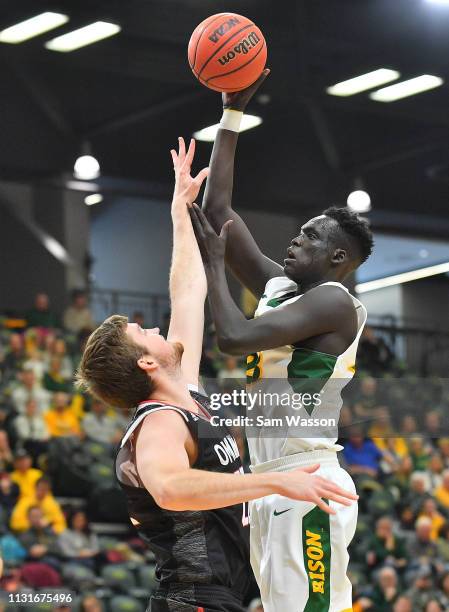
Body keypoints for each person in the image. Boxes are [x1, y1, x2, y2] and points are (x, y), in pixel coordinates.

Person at [76, 138, 357, 612]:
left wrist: (180, 213)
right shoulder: (159, 422)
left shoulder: (183, 390)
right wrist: (274, 483)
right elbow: (170, 488)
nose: (154, 326)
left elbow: (188, 293)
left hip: (220, 595)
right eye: (143, 332)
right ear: (147, 362)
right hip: (192, 597)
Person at [189, 71, 372, 611]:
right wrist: (231, 115)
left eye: (312, 236)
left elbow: (234, 338)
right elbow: (219, 212)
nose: (297, 236)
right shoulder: (282, 288)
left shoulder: (334, 302)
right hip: (270, 482)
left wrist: (216, 268)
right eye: (302, 229)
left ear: (337, 261)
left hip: (306, 477)